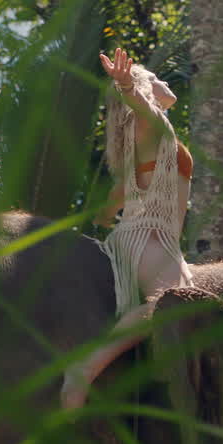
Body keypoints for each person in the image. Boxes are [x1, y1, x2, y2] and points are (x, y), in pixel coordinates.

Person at [61, 48, 194, 408]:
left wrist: (104, 219)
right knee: (174, 306)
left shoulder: (140, 139)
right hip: (150, 239)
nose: (163, 80)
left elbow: (116, 198)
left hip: (140, 239)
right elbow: (143, 107)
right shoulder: (152, 124)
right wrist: (127, 86)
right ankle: (84, 370)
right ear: (146, 90)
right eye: (155, 78)